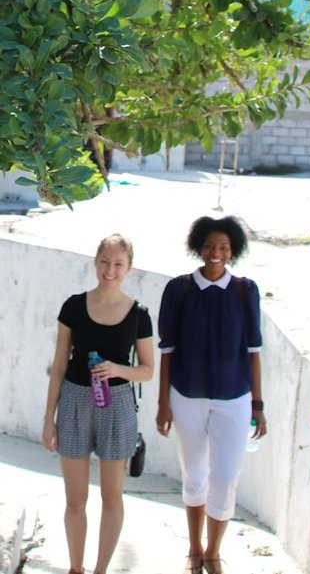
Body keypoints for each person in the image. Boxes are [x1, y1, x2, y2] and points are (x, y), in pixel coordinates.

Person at [156, 215, 266, 574]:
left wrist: (258, 406)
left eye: (223, 248)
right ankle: (194, 548)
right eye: (209, 246)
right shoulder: (179, 289)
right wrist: (162, 404)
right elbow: (167, 350)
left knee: (227, 475)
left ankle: (214, 552)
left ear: (233, 251)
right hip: (186, 396)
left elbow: (253, 351)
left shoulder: (244, 290)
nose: (215, 253)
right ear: (198, 247)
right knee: (194, 475)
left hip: (234, 398)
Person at [42, 234, 154, 574]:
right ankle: (76, 568)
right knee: (75, 500)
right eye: (105, 262)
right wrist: (49, 418)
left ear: (129, 268)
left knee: (112, 497)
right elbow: (60, 364)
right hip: (75, 398)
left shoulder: (139, 315)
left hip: (118, 405)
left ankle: (100, 569)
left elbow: (148, 371)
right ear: (96, 262)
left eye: (118, 264)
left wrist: (118, 369)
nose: (110, 270)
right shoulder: (74, 307)